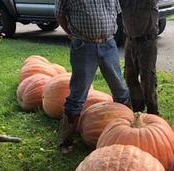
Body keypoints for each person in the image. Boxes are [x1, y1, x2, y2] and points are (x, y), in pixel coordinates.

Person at [55, 0, 131, 154]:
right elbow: (59, 14)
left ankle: (129, 131)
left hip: (109, 45)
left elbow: (116, 12)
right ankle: (67, 140)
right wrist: (70, 33)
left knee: (120, 90)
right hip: (83, 46)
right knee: (78, 93)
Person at [120, 0, 160, 115]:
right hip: (130, 40)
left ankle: (153, 111)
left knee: (147, 78)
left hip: (147, 41)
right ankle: (138, 108)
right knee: (129, 76)